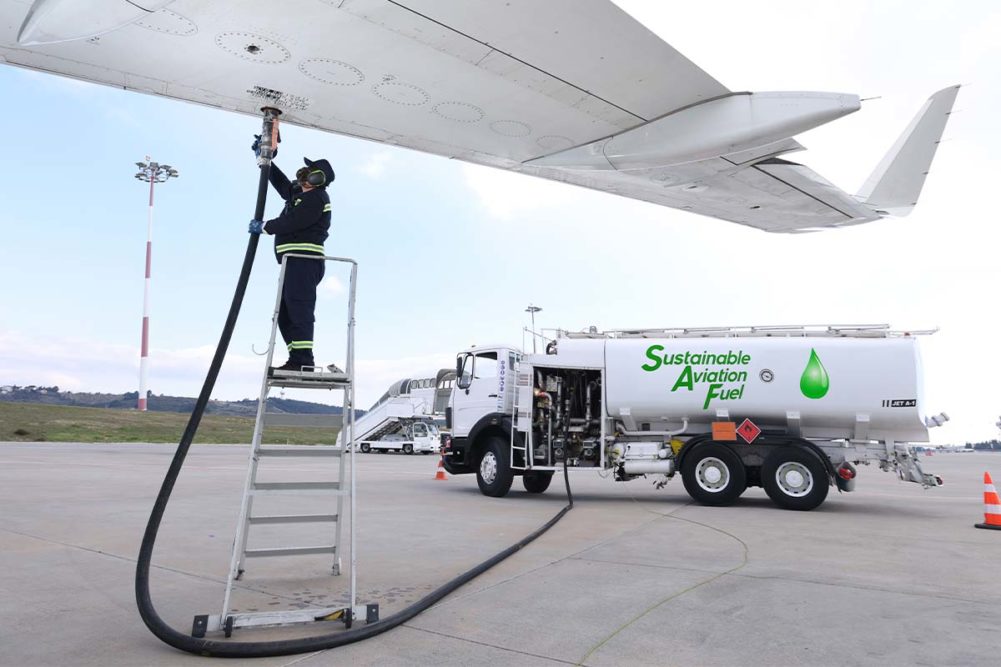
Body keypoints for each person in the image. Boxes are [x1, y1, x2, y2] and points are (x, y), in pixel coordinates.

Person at [248, 143, 334, 372]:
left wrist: (266, 227)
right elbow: (281, 184)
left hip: (305, 261)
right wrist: (265, 161)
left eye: (309, 174)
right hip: (293, 261)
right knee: (286, 314)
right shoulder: (300, 197)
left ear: (317, 179)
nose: (303, 178)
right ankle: (296, 357)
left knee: (299, 309)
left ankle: (304, 360)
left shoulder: (317, 198)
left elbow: (295, 221)